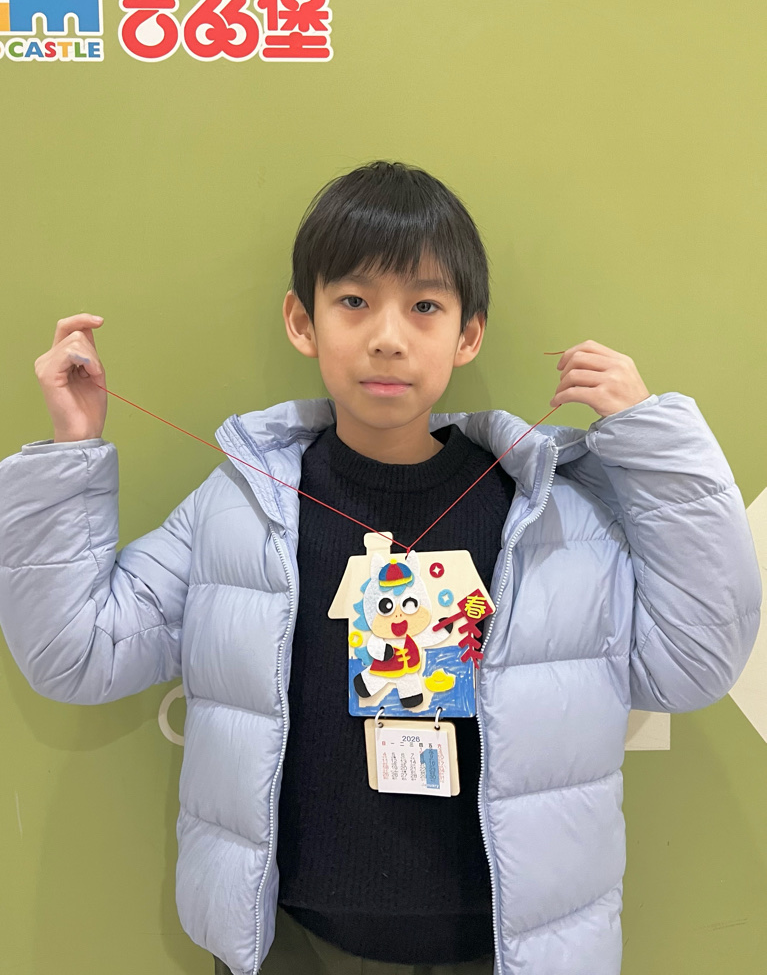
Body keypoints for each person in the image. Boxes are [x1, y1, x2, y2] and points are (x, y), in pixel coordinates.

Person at [0, 160, 761, 975]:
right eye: (354, 302)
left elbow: (691, 665)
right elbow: (77, 655)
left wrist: (653, 441)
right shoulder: (242, 506)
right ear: (303, 321)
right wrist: (72, 449)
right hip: (293, 940)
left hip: (511, 948)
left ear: (468, 334)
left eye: (424, 306)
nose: (387, 336)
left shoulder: (550, 511)